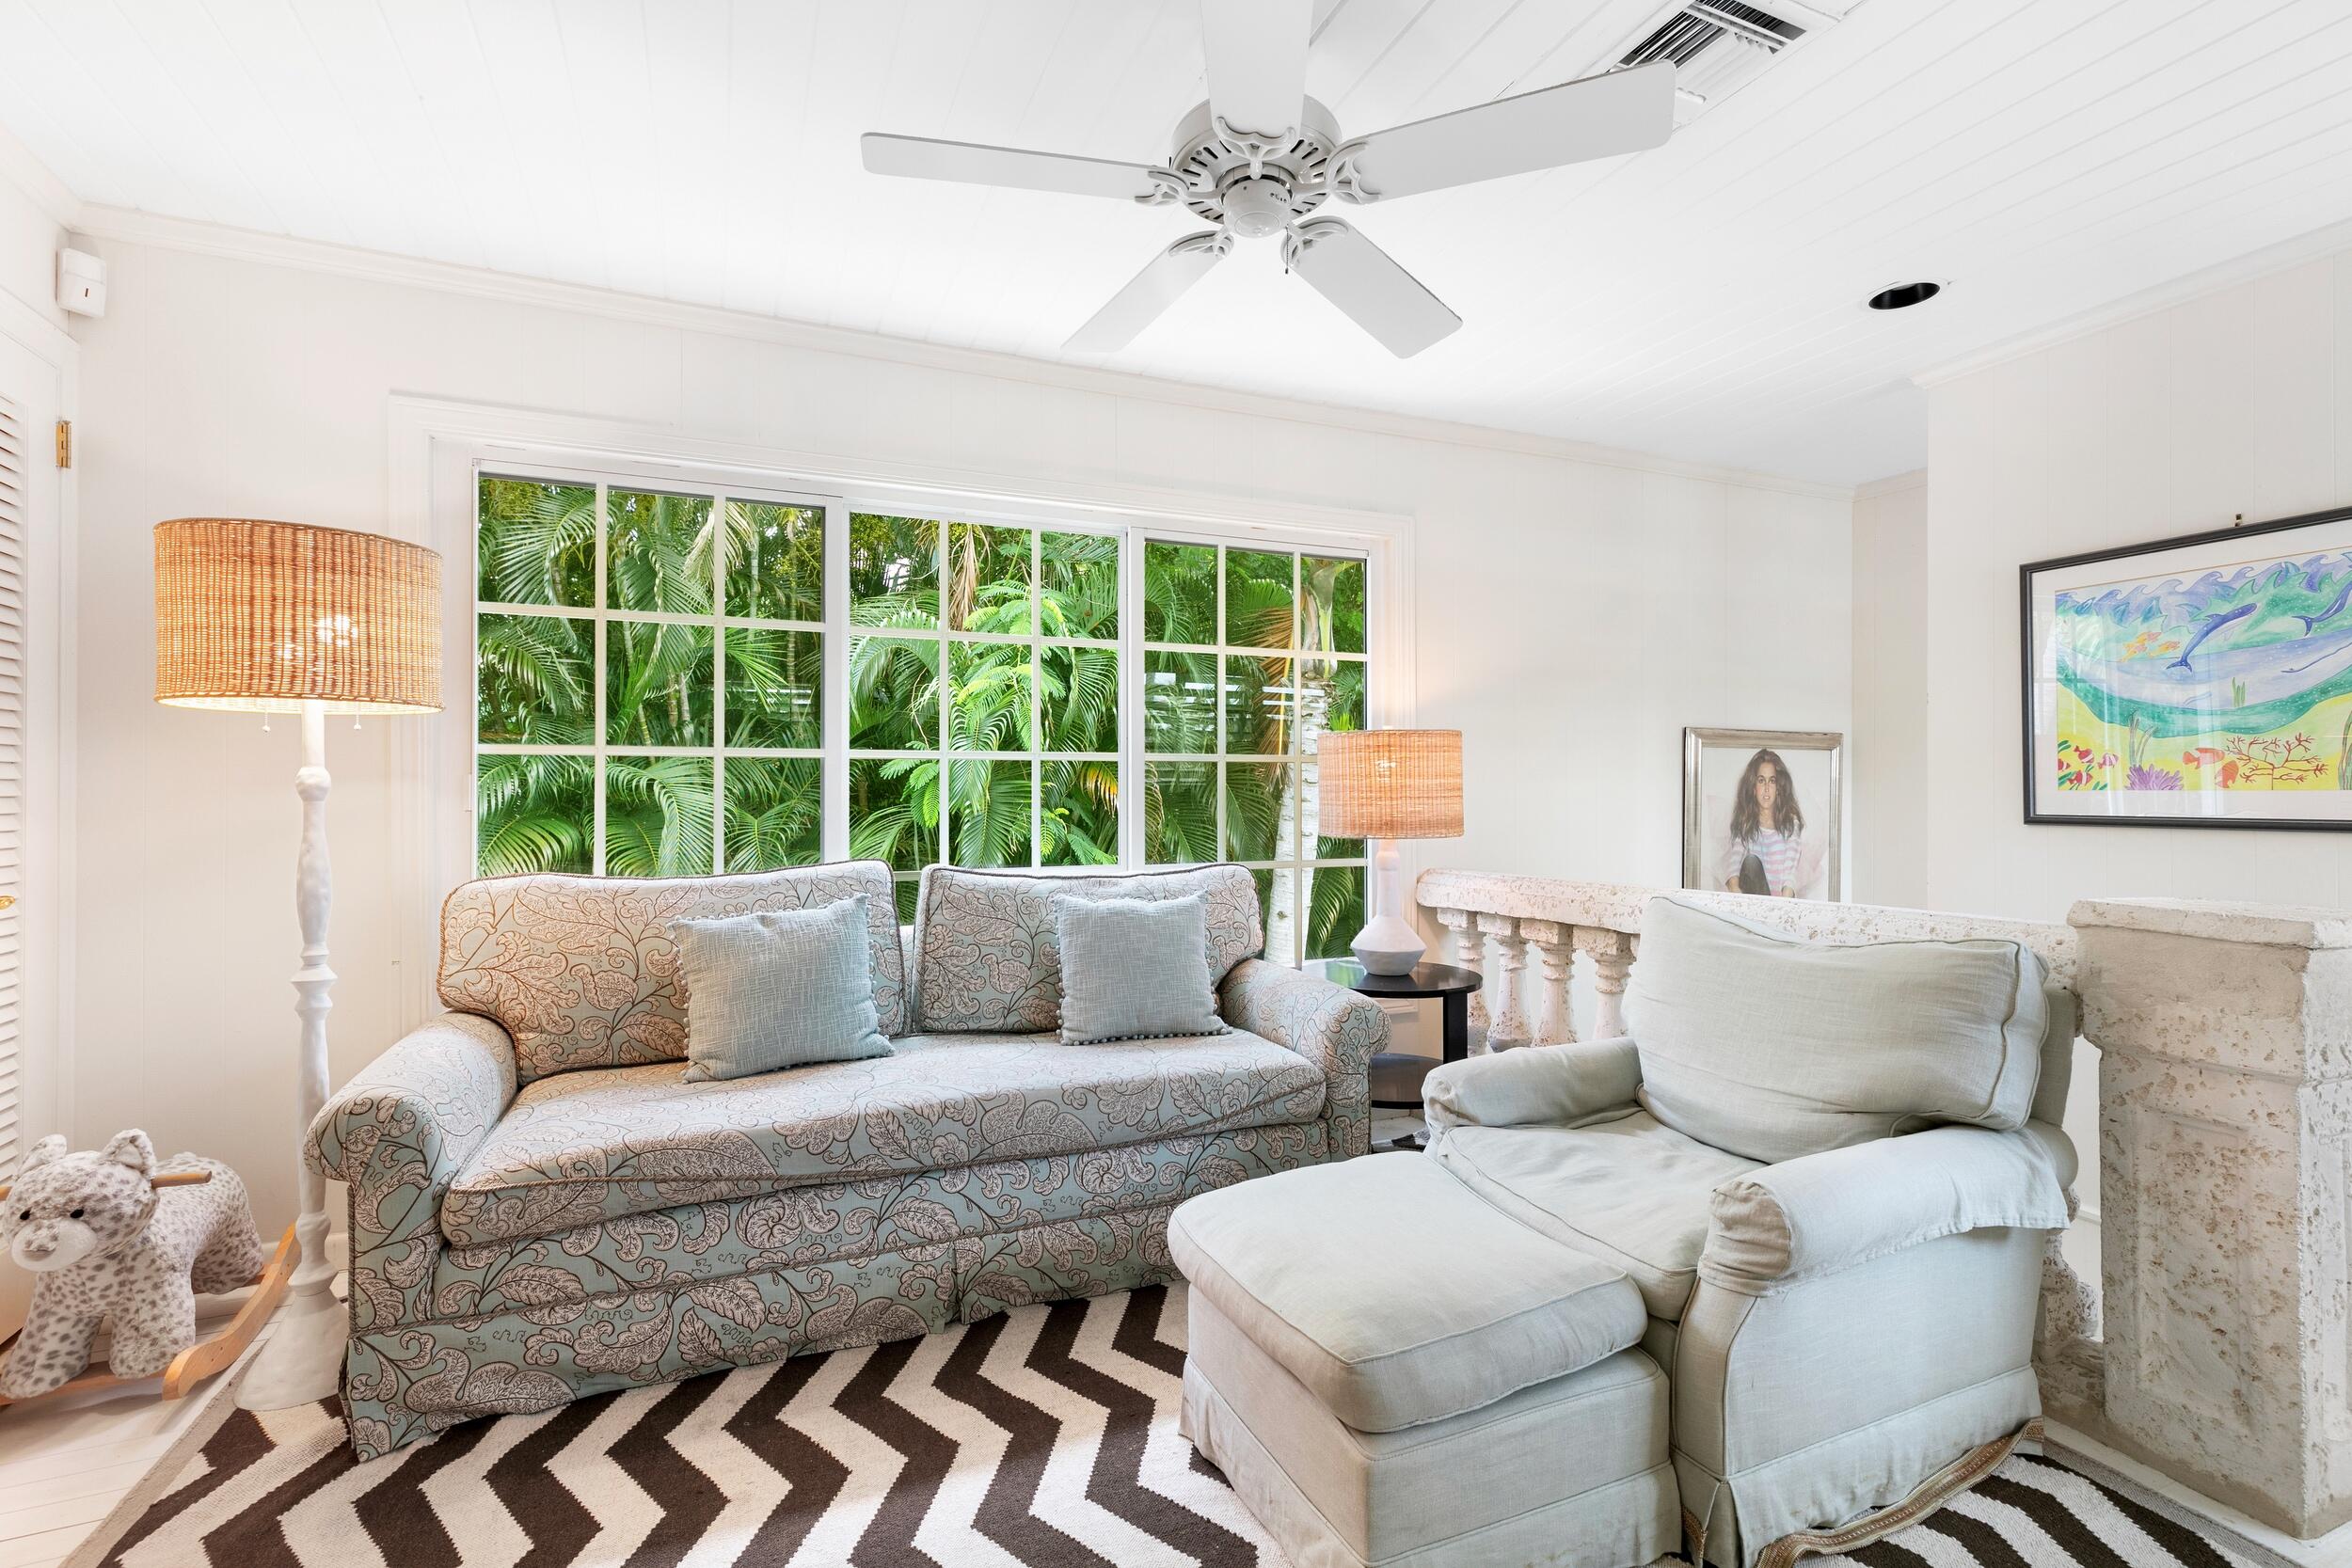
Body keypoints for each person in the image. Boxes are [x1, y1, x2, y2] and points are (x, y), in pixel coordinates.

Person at [1716, 749, 1822, 898]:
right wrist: (1737, 894)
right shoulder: (1746, 824)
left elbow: (1789, 874)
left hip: (1781, 904)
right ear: (1753, 788)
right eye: (1761, 781)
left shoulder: (1790, 824)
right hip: (1754, 901)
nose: (1767, 788)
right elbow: (1733, 866)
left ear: (1778, 788)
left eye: (1772, 781)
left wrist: (1780, 910)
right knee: (1751, 863)